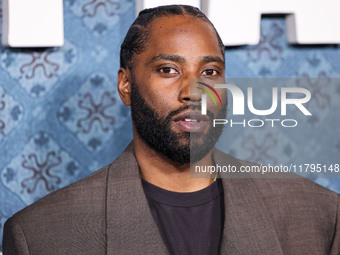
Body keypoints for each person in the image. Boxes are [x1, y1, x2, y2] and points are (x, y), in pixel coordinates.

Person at [2, 5, 339, 255]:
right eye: (168, 69)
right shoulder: (40, 236)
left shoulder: (319, 216)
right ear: (125, 85)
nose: (194, 91)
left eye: (209, 72)